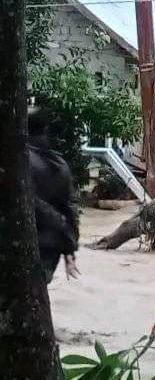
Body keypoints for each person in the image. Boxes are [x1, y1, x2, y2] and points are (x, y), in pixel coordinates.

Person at [28, 107, 80, 283]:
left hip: (24, 243)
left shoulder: (18, 162)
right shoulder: (61, 165)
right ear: (45, 130)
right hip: (51, 247)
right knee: (35, 297)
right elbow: (69, 208)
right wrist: (69, 249)